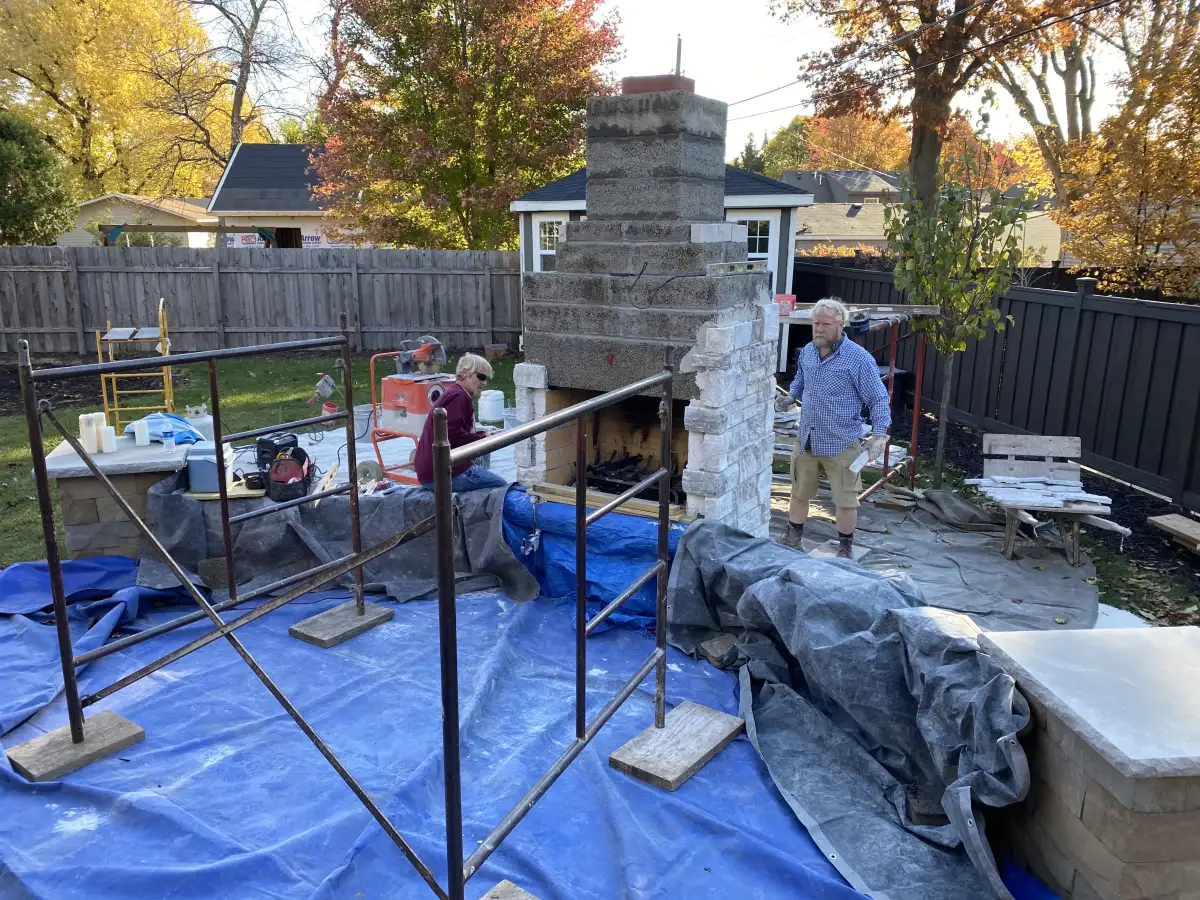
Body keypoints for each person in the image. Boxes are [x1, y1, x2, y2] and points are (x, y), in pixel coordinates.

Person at [780, 297, 891, 558]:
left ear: (841, 325)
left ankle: (845, 549)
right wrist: (790, 396)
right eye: (816, 324)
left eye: (826, 324)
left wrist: (879, 434)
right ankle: (792, 540)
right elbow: (801, 379)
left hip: (841, 443)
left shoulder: (858, 359)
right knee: (799, 493)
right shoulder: (808, 352)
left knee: (845, 500)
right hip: (807, 440)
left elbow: (878, 398)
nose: (819, 329)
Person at [414, 353, 509, 492]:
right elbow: (453, 436)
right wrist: (483, 437)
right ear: (465, 373)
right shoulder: (459, 396)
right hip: (443, 473)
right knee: (501, 486)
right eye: (481, 377)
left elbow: (454, 431)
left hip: (431, 471)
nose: (485, 383)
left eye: (487, 379)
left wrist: (483, 434)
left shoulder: (454, 392)